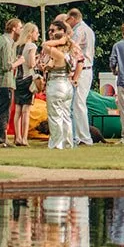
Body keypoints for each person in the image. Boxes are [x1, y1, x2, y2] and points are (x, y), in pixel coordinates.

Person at [42, 20, 76, 150]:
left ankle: (57, 144)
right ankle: (68, 143)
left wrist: (59, 41)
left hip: (56, 84)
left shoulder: (58, 54)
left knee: (55, 115)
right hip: (67, 85)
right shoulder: (70, 54)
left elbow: (45, 45)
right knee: (66, 115)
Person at [66, 8, 97, 147]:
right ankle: (81, 134)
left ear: (72, 18)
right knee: (79, 103)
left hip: (82, 69)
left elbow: (71, 46)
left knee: (78, 103)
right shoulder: (88, 29)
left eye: (68, 20)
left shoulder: (79, 30)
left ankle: (83, 136)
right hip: (86, 68)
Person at [0, 19, 20, 147]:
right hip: (4, 81)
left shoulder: (0, 40)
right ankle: (0, 139)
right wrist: (19, 61)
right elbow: (6, 65)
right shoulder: (7, 42)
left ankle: (3, 137)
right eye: (20, 27)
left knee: (1, 110)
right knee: (3, 111)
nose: (21, 30)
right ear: (14, 28)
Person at [11, 23, 40, 146]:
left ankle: (17, 137)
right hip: (28, 78)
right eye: (36, 32)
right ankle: (24, 138)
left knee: (17, 109)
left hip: (17, 79)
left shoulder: (16, 45)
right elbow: (31, 64)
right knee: (26, 111)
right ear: (30, 33)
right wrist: (37, 61)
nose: (37, 34)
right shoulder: (31, 46)